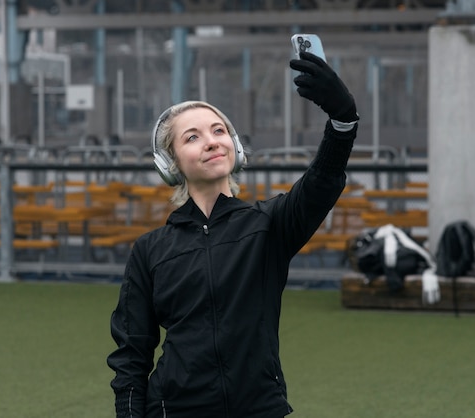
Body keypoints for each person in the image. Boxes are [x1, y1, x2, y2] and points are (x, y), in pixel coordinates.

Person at [107, 51, 359, 418]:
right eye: (192, 137)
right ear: (171, 163)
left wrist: (343, 119)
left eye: (219, 131)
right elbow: (132, 354)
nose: (211, 141)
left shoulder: (269, 225)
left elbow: (322, 181)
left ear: (235, 148)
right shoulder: (150, 251)